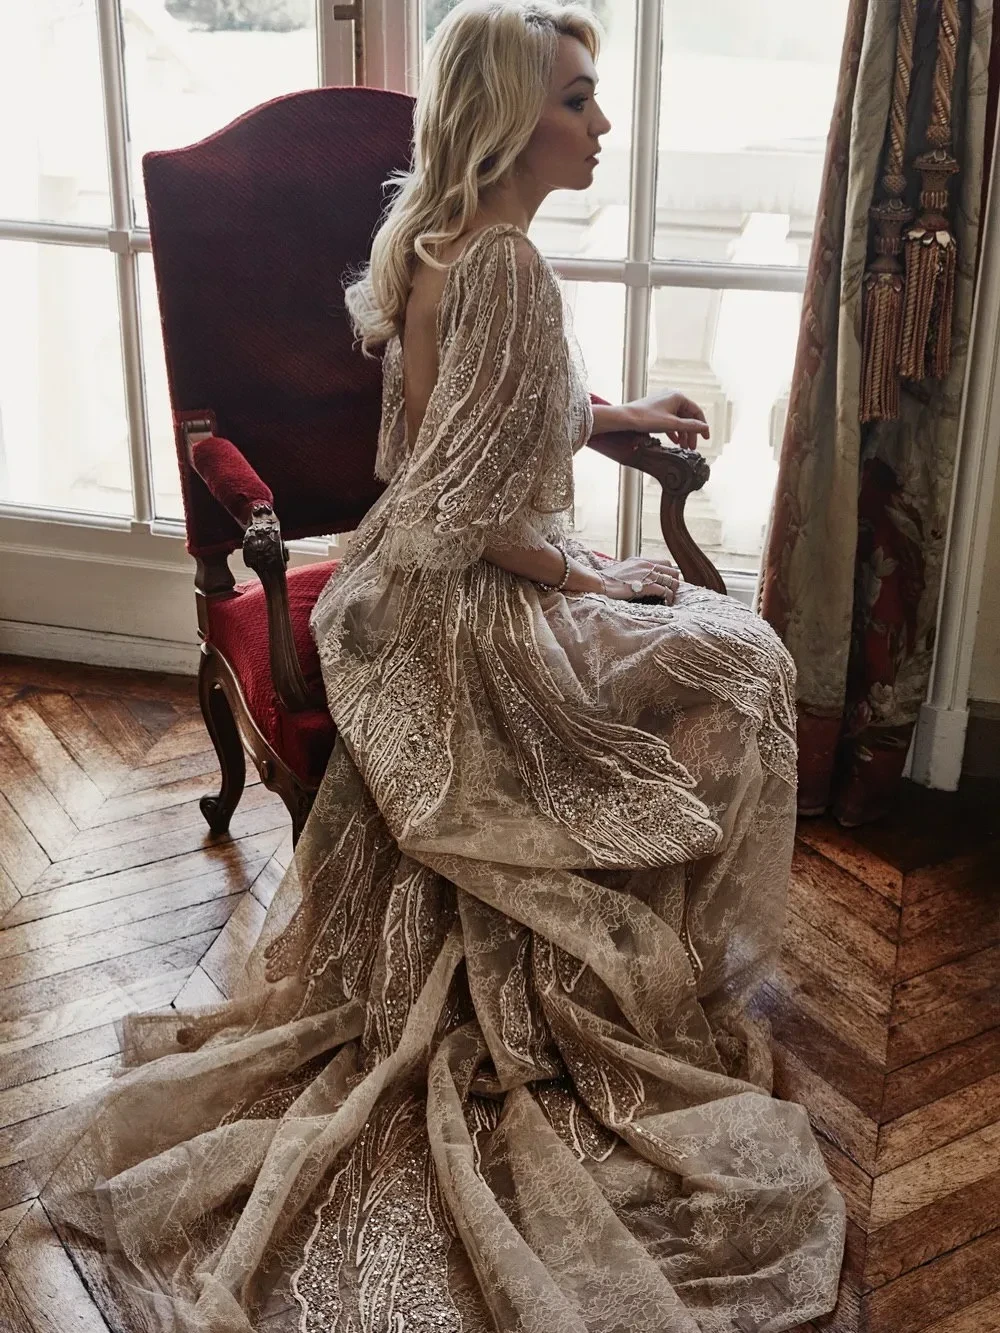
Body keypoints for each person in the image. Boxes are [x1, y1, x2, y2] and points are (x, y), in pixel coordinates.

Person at [19, 3, 846, 1329]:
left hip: (395, 592)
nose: (602, 124)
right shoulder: (510, 267)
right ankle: (638, 961)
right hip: (470, 599)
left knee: (709, 651)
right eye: (576, 99)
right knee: (741, 659)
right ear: (512, 120)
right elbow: (470, 506)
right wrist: (592, 580)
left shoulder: (440, 240)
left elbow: (472, 431)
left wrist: (619, 415)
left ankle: (612, 925)